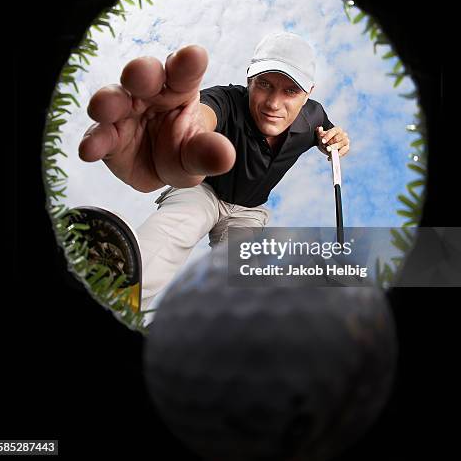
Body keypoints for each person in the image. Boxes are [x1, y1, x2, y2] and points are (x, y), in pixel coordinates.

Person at [78, 32, 350, 319]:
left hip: (248, 210)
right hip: (201, 189)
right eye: (265, 84)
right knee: (176, 228)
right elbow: (201, 115)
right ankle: (113, 286)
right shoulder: (225, 99)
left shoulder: (313, 117)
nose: (273, 103)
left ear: (308, 94)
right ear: (249, 79)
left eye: (290, 92)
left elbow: (328, 133)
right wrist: (180, 131)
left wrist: (334, 140)